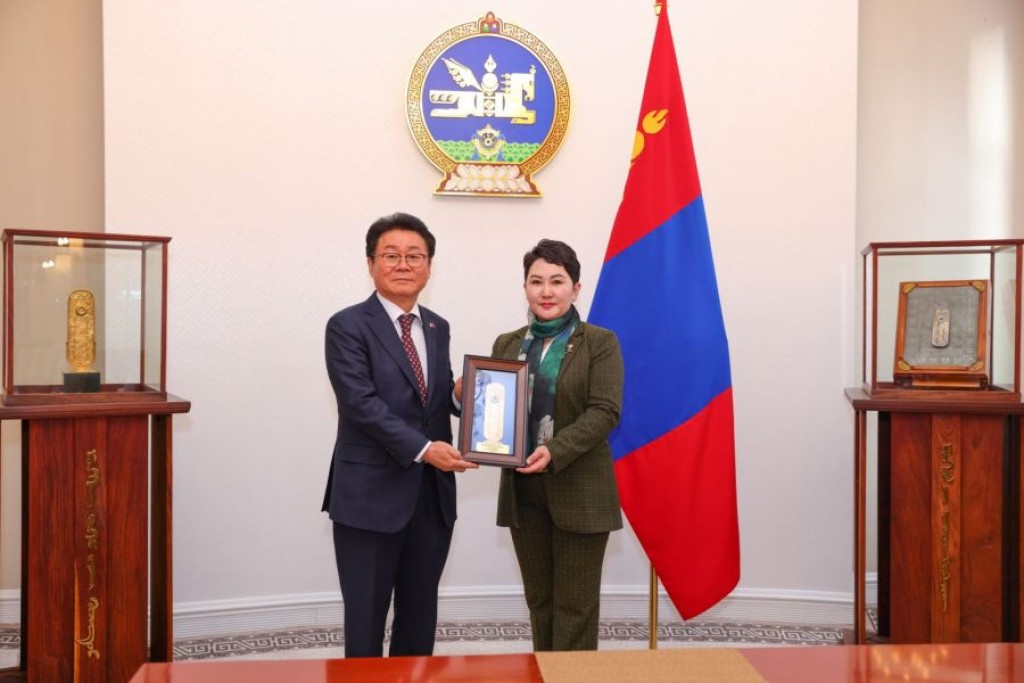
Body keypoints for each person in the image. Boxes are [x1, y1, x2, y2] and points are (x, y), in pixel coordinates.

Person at [322, 212, 477, 658]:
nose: (404, 264)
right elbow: (360, 404)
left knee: (419, 616)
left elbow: (434, 397)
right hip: (369, 496)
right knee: (366, 623)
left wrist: (462, 396)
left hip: (430, 497)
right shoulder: (347, 325)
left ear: (429, 266)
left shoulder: (437, 326)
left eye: (415, 256)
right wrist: (426, 450)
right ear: (371, 263)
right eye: (391, 255)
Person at [491, 239, 624, 651]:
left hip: (580, 490)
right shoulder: (507, 344)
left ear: (575, 288)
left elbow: (604, 411)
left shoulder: (599, 342)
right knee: (540, 603)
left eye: (557, 281)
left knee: (575, 608)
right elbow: (497, 409)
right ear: (525, 287)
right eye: (536, 281)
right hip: (523, 493)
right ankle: (543, 673)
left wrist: (554, 450)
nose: (546, 291)